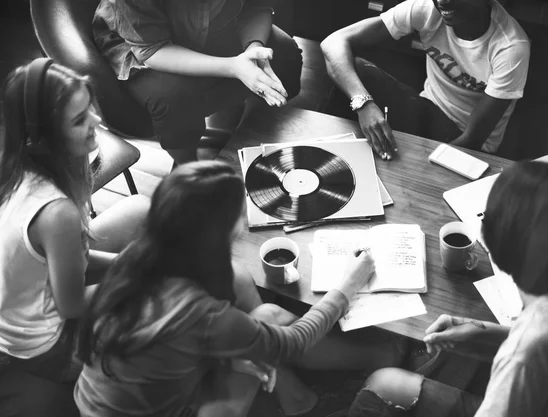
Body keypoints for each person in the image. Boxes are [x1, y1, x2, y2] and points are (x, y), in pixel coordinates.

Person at [74, 160, 408, 417]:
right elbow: (292, 342)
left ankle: (295, 396)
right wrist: (348, 282)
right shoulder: (200, 314)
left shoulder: (140, 256)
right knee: (269, 317)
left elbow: (164, 345)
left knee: (253, 312)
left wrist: (233, 352)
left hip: (98, 402)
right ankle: (380, 357)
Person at [345, 160, 548, 417]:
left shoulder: (524, 355)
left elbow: (540, 345)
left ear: (498, 255)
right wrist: (480, 332)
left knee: (383, 384)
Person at [0, 60, 149, 410]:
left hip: (31, 292)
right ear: (44, 137)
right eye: (79, 120)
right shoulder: (56, 213)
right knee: (155, 306)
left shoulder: (20, 161)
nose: (96, 122)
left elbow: (76, 260)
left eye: (89, 108)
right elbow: (71, 305)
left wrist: (131, 263)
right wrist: (141, 276)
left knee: (140, 207)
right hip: (47, 346)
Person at [93, 0, 303, 165]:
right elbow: (151, 50)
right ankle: (188, 167)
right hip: (142, 43)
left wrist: (253, 48)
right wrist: (233, 67)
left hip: (217, 24)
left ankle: (226, 132)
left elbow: (257, 6)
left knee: (285, 54)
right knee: (173, 98)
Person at [321, 0, 530, 160]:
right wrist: (364, 104)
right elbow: (333, 42)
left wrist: (413, 169)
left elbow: (472, 140)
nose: (443, 0)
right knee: (357, 72)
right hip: (426, 110)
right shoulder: (427, 8)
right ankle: (323, 158)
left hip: (465, 140)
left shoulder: (511, 48)